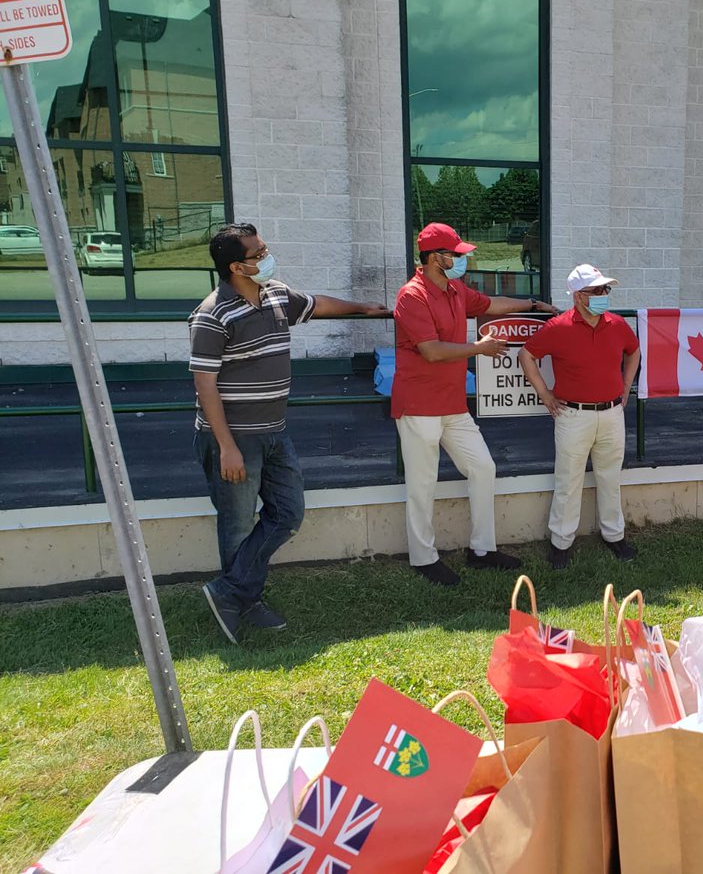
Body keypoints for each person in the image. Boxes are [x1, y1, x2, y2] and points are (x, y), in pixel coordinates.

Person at [190, 222, 390, 643]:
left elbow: (317, 305)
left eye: (265, 249)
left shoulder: (275, 294)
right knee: (239, 523)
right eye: (258, 254)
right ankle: (243, 600)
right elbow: (205, 384)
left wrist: (363, 309)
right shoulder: (213, 314)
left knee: (288, 513)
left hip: (275, 432)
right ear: (235, 267)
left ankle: (230, 591)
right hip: (234, 438)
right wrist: (226, 447)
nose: (267, 258)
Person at [392, 222, 558, 586]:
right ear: (436, 258)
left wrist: (532, 303)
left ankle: (481, 550)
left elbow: (490, 304)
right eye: (456, 254)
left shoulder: (454, 289)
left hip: (452, 405)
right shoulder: (411, 295)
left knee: (483, 468)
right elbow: (431, 350)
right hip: (418, 405)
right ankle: (424, 559)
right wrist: (478, 349)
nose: (462, 259)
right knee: (422, 485)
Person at [518, 264, 641, 569]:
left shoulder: (616, 323)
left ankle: (615, 536)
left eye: (605, 290)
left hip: (612, 412)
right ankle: (561, 543)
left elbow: (634, 350)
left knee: (610, 477)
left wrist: (626, 387)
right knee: (568, 481)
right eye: (596, 290)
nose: (603, 295)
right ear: (578, 296)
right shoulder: (558, 327)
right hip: (572, 415)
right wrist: (544, 393)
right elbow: (527, 355)